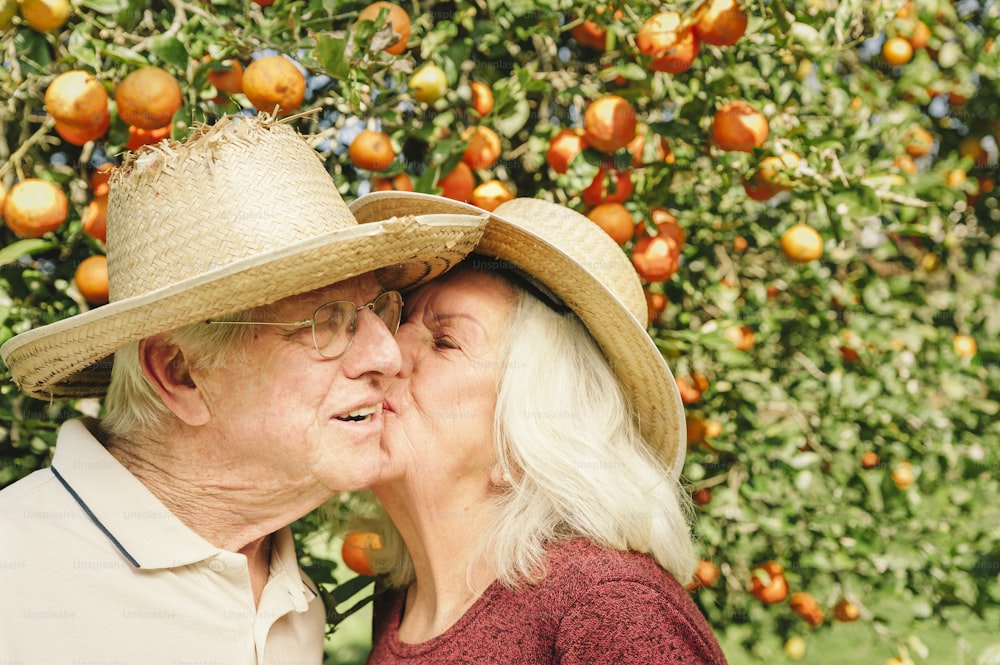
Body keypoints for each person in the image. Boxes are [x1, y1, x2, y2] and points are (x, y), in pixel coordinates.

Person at [0, 116, 487, 663]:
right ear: (180, 374)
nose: (389, 355)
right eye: (328, 322)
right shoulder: (15, 580)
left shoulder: (289, 589)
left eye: (378, 310)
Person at [346, 192, 729, 664]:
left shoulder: (610, 611)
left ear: (522, 443)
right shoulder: (398, 597)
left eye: (445, 342)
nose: (386, 351)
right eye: (399, 319)